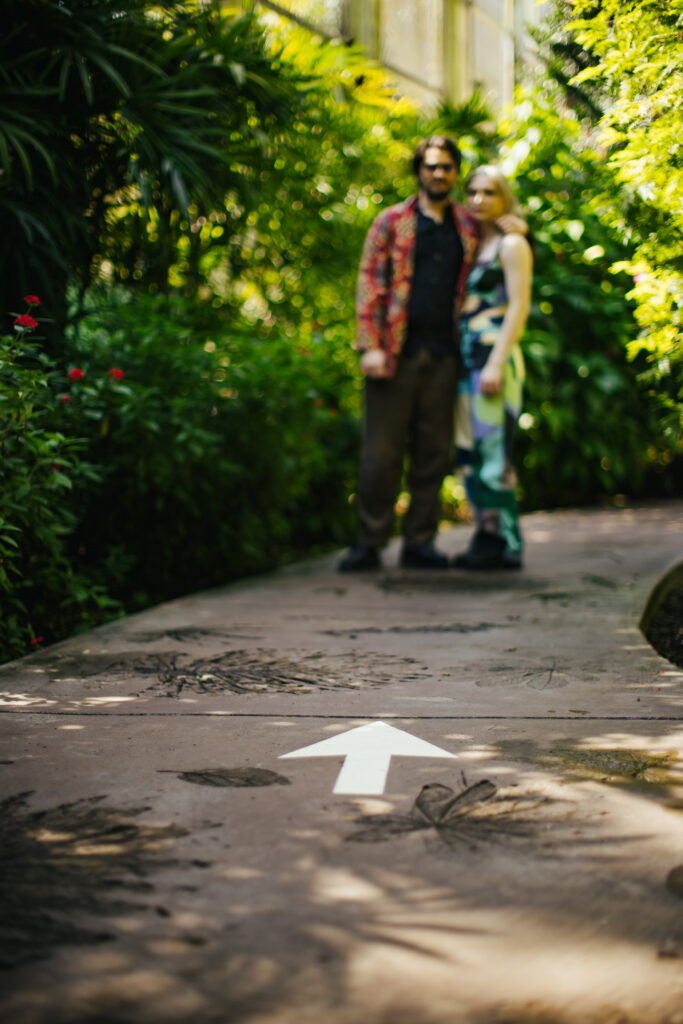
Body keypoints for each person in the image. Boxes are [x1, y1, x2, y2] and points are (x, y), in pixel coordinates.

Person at [339, 137, 525, 572]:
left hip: (446, 357)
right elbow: (370, 283)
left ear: (455, 173)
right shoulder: (392, 221)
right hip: (394, 355)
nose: (439, 174)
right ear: (418, 171)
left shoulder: (467, 224)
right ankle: (369, 542)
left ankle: (419, 542)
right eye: (431, 166)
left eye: (447, 167)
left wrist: (519, 227)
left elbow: (503, 246)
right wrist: (368, 346)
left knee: (433, 454)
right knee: (381, 455)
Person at [451, 165, 533, 570]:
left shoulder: (511, 244)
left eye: (489, 193)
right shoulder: (470, 245)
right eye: (473, 192)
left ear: (504, 199)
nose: (479, 199)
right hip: (465, 362)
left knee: (493, 451)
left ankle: (505, 541)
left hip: (493, 360)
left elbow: (519, 305)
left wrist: (497, 362)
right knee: (468, 453)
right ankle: (486, 534)